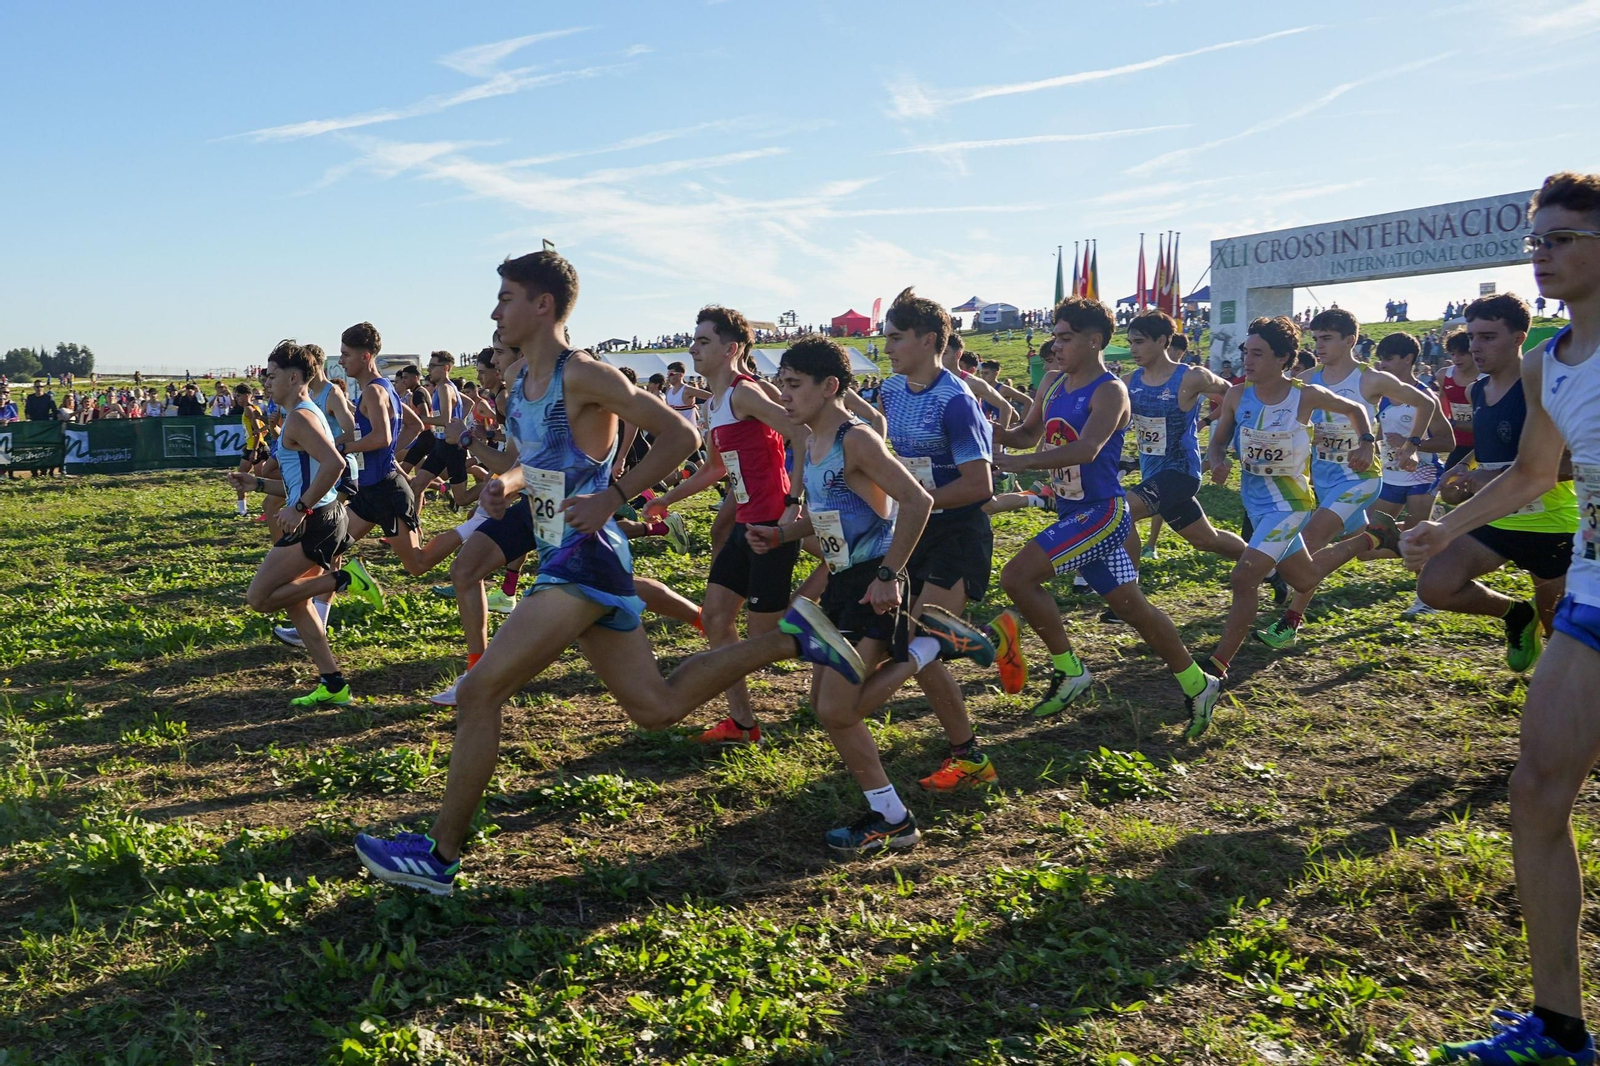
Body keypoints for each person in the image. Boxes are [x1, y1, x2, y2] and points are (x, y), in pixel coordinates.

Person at [354, 250, 867, 895]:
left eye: (506, 297)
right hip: (562, 552)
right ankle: (798, 638)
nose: (494, 310)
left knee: (481, 693)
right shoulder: (522, 384)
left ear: (543, 306)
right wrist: (506, 484)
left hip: (582, 558)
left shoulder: (586, 375)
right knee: (655, 707)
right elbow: (535, 459)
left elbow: (678, 438)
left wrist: (614, 496)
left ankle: (439, 857)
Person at [1402, 171, 1600, 1066]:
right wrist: (1450, 521)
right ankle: (1560, 1029)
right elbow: (1532, 474)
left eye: (1561, 238)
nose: (1542, 254)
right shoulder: (1546, 362)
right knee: (1534, 791)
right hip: (1595, 591)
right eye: (1536, 240)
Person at [753, 336, 979, 851]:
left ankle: (893, 816)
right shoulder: (812, 442)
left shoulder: (856, 439)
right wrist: (782, 533)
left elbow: (916, 501)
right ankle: (890, 811)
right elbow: (830, 514)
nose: (783, 395)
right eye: (781, 384)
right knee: (824, 704)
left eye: (793, 385)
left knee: (837, 709)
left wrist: (889, 575)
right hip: (840, 580)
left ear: (829, 387)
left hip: (870, 582)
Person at [994, 298, 1222, 738]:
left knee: (1017, 577)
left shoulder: (1110, 390)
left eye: (1065, 338)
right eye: (1055, 337)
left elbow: (1087, 449)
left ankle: (1070, 669)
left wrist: (1021, 466)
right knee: (1132, 607)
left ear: (1094, 340)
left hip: (1101, 515)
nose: (1055, 346)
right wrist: (988, 434)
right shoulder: (1055, 384)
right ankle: (1199, 683)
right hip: (1076, 512)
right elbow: (1026, 433)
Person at [645, 306, 805, 745]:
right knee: (716, 619)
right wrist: (665, 498)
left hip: (771, 522)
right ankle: (743, 722)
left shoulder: (745, 393)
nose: (692, 347)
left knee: (763, 637)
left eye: (703, 341)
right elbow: (715, 469)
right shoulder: (714, 402)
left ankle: (830, 626)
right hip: (744, 521)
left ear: (730, 349)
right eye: (693, 339)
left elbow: (803, 434)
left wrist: (795, 501)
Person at [1200, 316, 1381, 678]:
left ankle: (1217, 666)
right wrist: (1216, 461)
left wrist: (1365, 442)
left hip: (1291, 504)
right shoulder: (1237, 395)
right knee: (1303, 576)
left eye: (1258, 354)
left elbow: (1356, 409)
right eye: (1245, 353)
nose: (1247, 361)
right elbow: (1218, 441)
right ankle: (1371, 538)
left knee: (1243, 577)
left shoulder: (1305, 394)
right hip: (1255, 501)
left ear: (1283, 358)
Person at [1255, 308, 1440, 648]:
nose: (1319, 345)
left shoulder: (1370, 379)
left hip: (1360, 479)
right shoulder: (1308, 379)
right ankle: (1417, 542)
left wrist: (1413, 445)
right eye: (1316, 339)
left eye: (1326, 339)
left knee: (1307, 546)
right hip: (1321, 480)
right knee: (1366, 553)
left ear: (1350, 340)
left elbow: (1425, 402)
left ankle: (1289, 624)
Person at [1416, 294, 1579, 670]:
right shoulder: (1476, 391)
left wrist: (1489, 476)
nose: (1475, 346)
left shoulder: (1542, 388)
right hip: (1494, 518)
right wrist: (1462, 476)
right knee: (1435, 586)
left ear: (1520, 338)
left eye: (1488, 336)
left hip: (1550, 524)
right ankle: (1518, 615)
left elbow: (1571, 463)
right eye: (1472, 336)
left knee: (1561, 636)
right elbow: (1489, 449)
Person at [227, 340, 383, 708]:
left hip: (317, 521)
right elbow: (307, 477)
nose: (266, 382)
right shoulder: (300, 413)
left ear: (294, 377)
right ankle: (333, 683)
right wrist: (259, 484)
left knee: (259, 598)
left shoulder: (300, 415)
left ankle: (344, 579)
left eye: (272, 375)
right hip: (321, 517)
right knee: (297, 602)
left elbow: (335, 466)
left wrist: (298, 507)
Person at [1119, 310, 1248, 566]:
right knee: (1206, 540)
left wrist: (1221, 446)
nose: (1133, 349)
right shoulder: (1128, 382)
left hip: (1181, 472)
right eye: (1131, 342)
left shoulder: (1191, 376)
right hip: (1152, 474)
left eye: (1140, 341)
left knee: (1122, 513)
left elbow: (1235, 396)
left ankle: (1126, 599)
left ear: (1162, 340)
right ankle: (1268, 569)